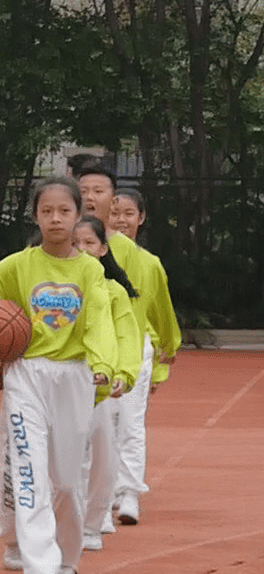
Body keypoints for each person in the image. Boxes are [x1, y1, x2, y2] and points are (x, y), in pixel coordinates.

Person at [0, 177, 116, 574]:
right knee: (29, 470)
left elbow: (99, 319)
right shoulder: (18, 265)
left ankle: (66, 561)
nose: (56, 219)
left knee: (65, 480)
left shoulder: (90, 269)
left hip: (74, 376)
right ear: (36, 216)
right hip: (26, 373)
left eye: (64, 211)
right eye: (47, 211)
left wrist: (102, 364)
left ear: (79, 215)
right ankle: (39, 569)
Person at [104, 188, 179, 525]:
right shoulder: (90, 257)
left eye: (128, 213)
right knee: (102, 424)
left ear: (141, 218)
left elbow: (163, 314)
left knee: (131, 423)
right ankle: (101, 495)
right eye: (115, 213)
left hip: (136, 349)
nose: (121, 220)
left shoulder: (150, 264)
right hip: (100, 350)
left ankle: (129, 493)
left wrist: (164, 359)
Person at [71, 215, 141, 553]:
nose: (82, 250)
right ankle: (72, 520)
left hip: (104, 383)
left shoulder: (114, 292)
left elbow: (128, 336)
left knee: (103, 454)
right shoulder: (59, 288)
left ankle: (95, 520)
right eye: (76, 243)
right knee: (69, 455)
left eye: (89, 243)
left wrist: (123, 373)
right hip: (67, 379)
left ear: (102, 249)